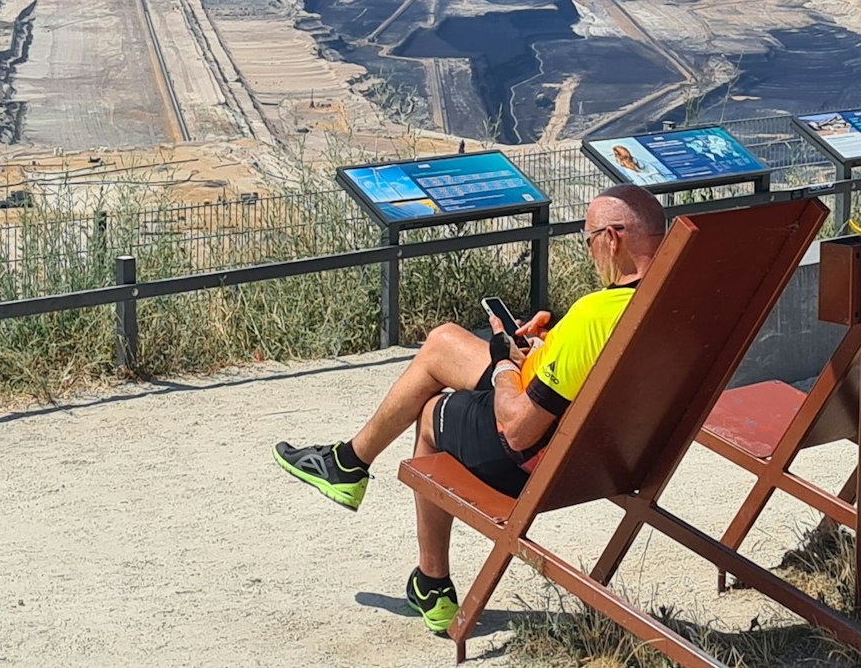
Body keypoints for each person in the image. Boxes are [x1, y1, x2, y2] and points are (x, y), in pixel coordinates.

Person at [272, 183, 667, 634]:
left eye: (589, 239)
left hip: (541, 460)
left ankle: (431, 580)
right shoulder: (671, 299)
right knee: (442, 342)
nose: (590, 252)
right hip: (616, 453)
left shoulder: (595, 315)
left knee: (430, 414)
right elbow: (589, 368)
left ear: (613, 239)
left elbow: (518, 429)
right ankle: (349, 462)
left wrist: (503, 365)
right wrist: (545, 346)